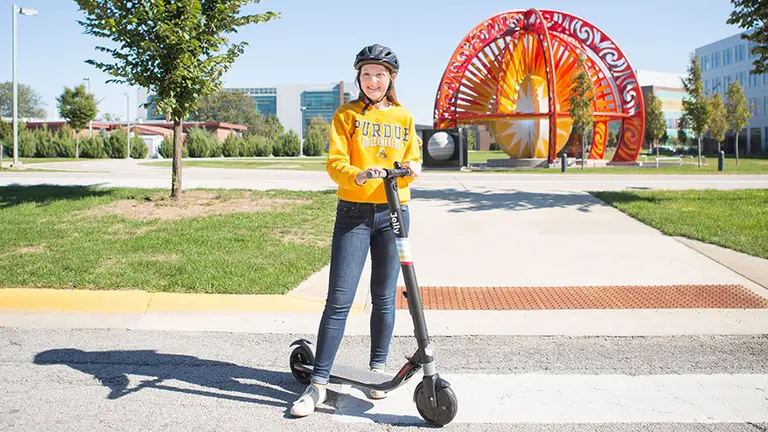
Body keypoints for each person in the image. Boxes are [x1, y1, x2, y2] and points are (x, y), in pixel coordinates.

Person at [290, 43, 422, 418]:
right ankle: (317, 384)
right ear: (359, 78)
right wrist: (358, 174)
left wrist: (414, 168)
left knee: (383, 296)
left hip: (396, 211)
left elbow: (413, 156)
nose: (373, 80)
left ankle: (376, 371)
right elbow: (335, 163)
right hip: (354, 212)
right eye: (366, 74)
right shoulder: (346, 115)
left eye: (380, 74)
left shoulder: (403, 116)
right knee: (340, 299)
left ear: (391, 78)